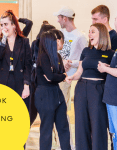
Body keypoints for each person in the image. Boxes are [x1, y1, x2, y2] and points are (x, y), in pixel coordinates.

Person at [66, 23, 114, 150]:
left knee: (98, 126)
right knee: (81, 126)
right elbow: (80, 72)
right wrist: (72, 77)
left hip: (98, 90)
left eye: (93, 32)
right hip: (81, 88)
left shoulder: (110, 53)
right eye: (89, 32)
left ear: (102, 34)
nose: (89, 34)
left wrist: (106, 69)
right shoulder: (86, 51)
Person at [54, 6, 87, 149]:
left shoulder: (80, 36)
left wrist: (70, 63)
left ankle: (69, 144)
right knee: (55, 110)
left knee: (63, 111)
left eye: (59, 17)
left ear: (65, 18)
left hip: (70, 78)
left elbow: (85, 58)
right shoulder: (59, 33)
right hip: (57, 75)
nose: (57, 20)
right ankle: (59, 143)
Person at [35, 29, 71, 150]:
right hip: (44, 94)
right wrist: (60, 76)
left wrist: (59, 76)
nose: (57, 41)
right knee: (47, 130)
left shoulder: (58, 56)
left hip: (57, 93)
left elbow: (59, 74)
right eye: (54, 39)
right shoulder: (43, 57)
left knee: (63, 127)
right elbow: (51, 77)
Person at [0, 10, 32, 110]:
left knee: (20, 112)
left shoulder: (24, 41)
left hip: (19, 81)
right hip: (3, 82)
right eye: (1, 25)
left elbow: (28, 65)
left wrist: (26, 85)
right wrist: (3, 39)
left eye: (6, 24)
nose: (3, 28)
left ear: (14, 25)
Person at [30, 24, 55, 125]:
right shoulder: (36, 44)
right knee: (33, 111)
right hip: (36, 81)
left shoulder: (50, 45)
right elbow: (31, 60)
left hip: (44, 82)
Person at [97, 52, 117, 150]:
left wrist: (105, 69)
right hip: (111, 99)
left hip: (114, 100)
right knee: (114, 135)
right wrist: (110, 67)